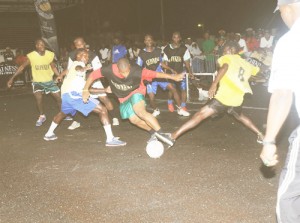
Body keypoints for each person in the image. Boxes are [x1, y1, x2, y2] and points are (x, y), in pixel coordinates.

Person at [162, 41, 264, 147]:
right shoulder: (246, 63)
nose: (223, 53)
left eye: (224, 50)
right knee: (240, 116)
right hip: (238, 98)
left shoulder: (227, 58)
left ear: (231, 50)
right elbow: (257, 75)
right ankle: (261, 135)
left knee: (200, 115)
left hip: (225, 96)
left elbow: (224, 67)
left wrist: (214, 84)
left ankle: (172, 136)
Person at [82, 58, 184, 147]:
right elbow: (93, 75)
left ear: (130, 66)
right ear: (117, 68)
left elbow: (156, 74)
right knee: (134, 120)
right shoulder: (109, 69)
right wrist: (85, 90)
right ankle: (154, 134)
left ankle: (163, 135)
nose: (126, 75)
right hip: (122, 97)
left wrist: (173, 77)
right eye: (122, 73)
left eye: (127, 72)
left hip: (136, 91)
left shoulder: (137, 70)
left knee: (140, 112)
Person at [259, 1, 300, 222]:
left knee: (289, 197)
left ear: (287, 7)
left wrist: (269, 141)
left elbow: (283, 93)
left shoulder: (291, 40)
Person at [44, 49, 126, 146]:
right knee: (103, 110)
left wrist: (104, 90)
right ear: (78, 56)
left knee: (62, 113)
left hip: (66, 96)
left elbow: (88, 89)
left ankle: (49, 134)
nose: (87, 58)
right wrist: (84, 69)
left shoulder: (76, 74)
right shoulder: (78, 64)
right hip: (73, 94)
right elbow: (78, 68)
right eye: (84, 55)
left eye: (87, 56)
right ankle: (110, 139)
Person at [62, 37, 119, 130]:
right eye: (77, 45)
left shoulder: (92, 55)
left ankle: (115, 117)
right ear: (74, 46)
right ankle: (76, 121)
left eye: (81, 44)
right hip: (79, 81)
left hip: (93, 79)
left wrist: (90, 81)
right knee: (74, 100)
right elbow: (69, 69)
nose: (79, 46)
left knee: (104, 98)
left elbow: (98, 70)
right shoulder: (72, 55)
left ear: (85, 44)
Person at [7, 39, 61, 127]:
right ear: (36, 46)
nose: (42, 46)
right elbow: (22, 67)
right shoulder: (32, 56)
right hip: (37, 82)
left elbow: (53, 67)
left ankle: (62, 114)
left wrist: (59, 75)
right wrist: (12, 78)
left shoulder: (49, 54)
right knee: (38, 98)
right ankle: (42, 115)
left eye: (43, 44)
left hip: (49, 81)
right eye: (40, 44)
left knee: (59, 99)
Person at [136, 34, 189, 117]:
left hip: (160, 75)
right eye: (147, 40)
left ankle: (180, 109)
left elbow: (161, 63)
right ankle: (156, 110)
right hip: (150, 77)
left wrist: (171, 69)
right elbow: (138, 67)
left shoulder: (158, 50)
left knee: (173, 89)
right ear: (144, 42)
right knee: (151, 98)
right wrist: (142, 78)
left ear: (153, 41)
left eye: (150, 40)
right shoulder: (141, 53)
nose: (149, 41)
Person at [163, 32, 193, 114]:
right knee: (172, 90)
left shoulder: (184, 48)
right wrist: (165, 73)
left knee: (183, 89)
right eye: (174, 37)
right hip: (171, 72)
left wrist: (190, 72)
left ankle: (183, 105)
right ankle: (169, 102)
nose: (176, 39)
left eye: (177, 37)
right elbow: (165, 62)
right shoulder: (166, 49)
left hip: (181, 71)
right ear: (172, 38)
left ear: (180, 38)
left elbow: (187, 62)